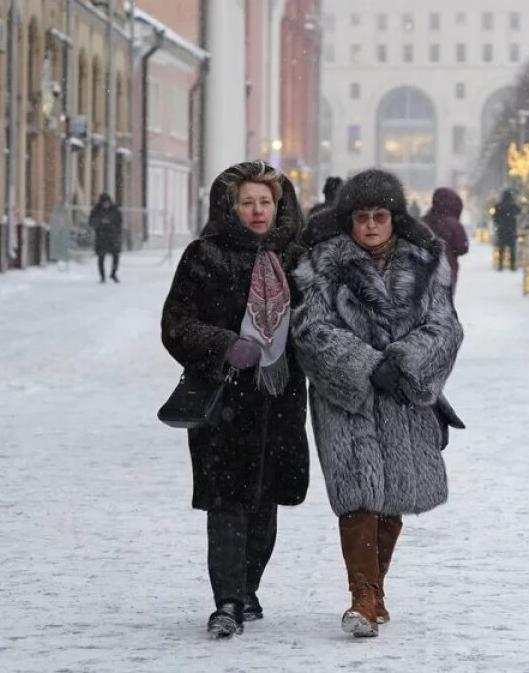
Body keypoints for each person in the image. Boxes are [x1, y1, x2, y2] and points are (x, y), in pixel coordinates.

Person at [292, 168, 464, 638]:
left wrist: (404, 363)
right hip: (346, 400)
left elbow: (445, 327)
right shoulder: (322, 264)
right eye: (362, 216)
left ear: (394, 218)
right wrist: (367, 364)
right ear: (349, 220)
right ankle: (362, 598)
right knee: (358, 497)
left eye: (380, 216)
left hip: (405, 399)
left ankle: (377, 590)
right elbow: (311, 330)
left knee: (393, 500)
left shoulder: (425, 262)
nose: (370, 225)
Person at [160, 161, 310, 639]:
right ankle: (226, 600)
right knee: (227, 500)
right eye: (248, 202)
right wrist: (224, 343)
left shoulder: (298, 258)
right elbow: (175, 324)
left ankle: (247, 588)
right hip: (223, 396)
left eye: (266, 201)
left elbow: (317, 322)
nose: (258, 210)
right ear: (232, 205)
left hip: (280, 396)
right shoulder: (204, 255)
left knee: (265, 502)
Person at [420, 187, 469, 294]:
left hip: (423, 270)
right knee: (444, 304)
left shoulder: (422, 221)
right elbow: (462, 247)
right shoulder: (454, 224)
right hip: (447, 270)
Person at [88, 192, 122, 283]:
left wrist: (113, 226)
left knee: (116, 256)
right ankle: (102, 277)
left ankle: (113, 273)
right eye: (104, 202)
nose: (106, 204)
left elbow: (119, 221)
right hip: (101, 237)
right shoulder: (96, 210)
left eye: (107, 202)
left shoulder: (114, 210)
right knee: (101, 257)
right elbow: (91, 222)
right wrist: (100, 223)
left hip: (113, 237)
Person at [492, 189, 520, 271]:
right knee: (512, 250)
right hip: (511, 230)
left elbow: (494, 218)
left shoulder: (498, 206)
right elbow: (519, 211)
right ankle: (512, 266)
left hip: (502, 231)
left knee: (501, 249)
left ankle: (500, 265)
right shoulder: (513, 205)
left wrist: (498, 225)